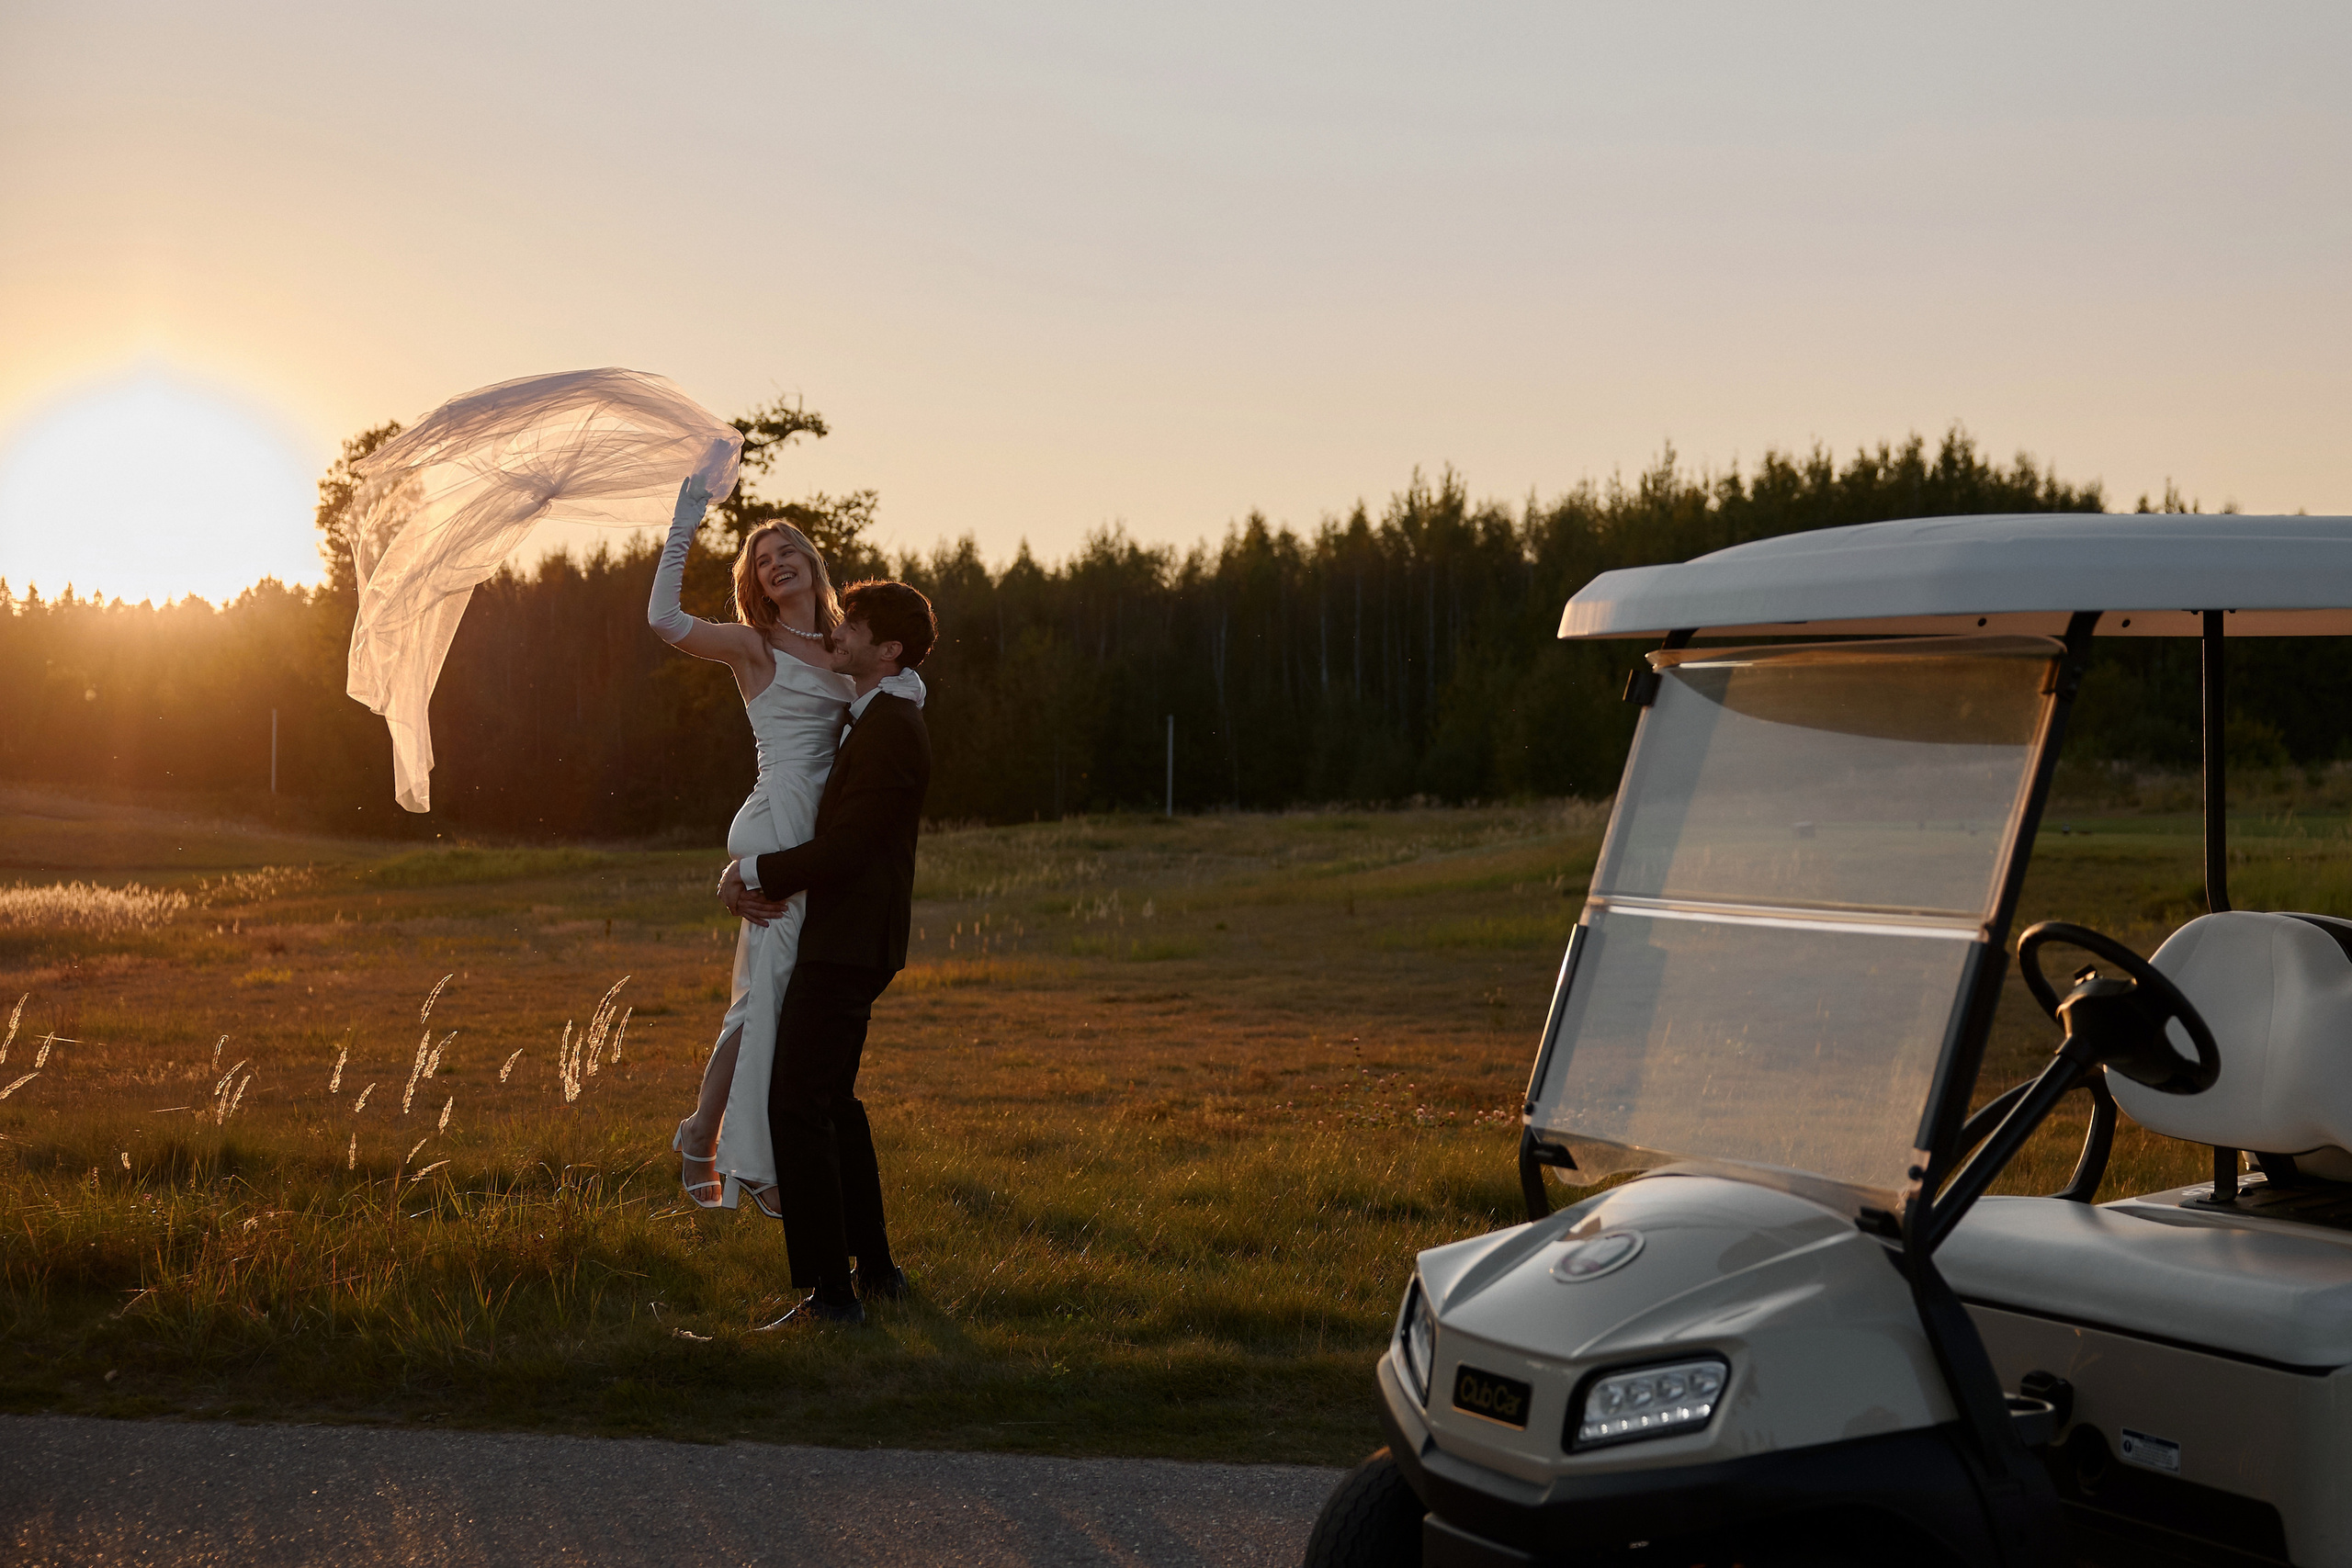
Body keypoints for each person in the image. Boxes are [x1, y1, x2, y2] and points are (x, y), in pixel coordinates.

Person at [646, 477, 924, 1213]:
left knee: (762, 991)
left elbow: (886, 688)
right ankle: (750, 1158)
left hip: (817, 823)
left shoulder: (842, 641)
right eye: (763, 559)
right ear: (756, 584)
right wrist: (686, 519)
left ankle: (705, 1133)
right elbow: (664, 619)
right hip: (780, 817)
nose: (777, 562)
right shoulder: (755, 643)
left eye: (787, 549)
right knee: (770, 990)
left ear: (810, 560)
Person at [720, 579, 936, 1326]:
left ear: (888, 650)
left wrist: (750, 872)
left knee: (797, 1103)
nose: (836, 634)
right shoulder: (874, 715)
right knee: (834, 1105)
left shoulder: (892, 729)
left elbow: (848, 850)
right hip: (847, 938)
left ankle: (832, 1295)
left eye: (854, 629)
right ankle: (875, 1272)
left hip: (847, 945)